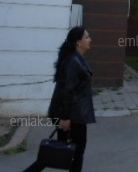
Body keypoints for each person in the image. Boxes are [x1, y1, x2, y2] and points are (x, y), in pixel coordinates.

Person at [23, 27, 95, 172]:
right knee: (74, 153)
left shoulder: (76, 59)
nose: (90, 40)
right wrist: (65, 118)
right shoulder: (73, 61)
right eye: (86, 37)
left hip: (74, 114)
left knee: (61, 153)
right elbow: (67, 91)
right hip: (72, 116)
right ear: (78, 42)